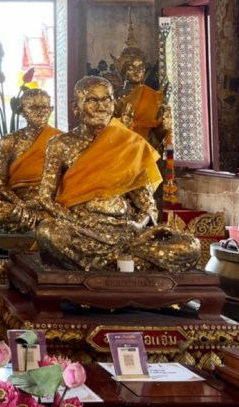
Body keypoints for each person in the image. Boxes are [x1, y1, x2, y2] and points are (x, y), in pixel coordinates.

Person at [35, 77, 200, 272]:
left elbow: (147, 206)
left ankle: (108, 262)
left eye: (107, 100)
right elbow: (45, 198)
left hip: (124, 231)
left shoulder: (130, 144)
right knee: (49, 232)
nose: (101, 107)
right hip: (83, 229)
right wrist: (77, 220)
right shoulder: (60, 144)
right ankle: (129, 262)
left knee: (190, 247)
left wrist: (138, 225)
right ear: (75, 107)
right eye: (92, 100)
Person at [0, 89, 60, 232]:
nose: (40, 112)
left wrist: (43, 203)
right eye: (34, 108)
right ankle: (43, 222)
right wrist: (20, 203)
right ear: (22, 111)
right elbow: (0, 183)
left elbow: (67, 182)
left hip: (50, 205)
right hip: (19, 204)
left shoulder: (60, 140)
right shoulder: (10, 141)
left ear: (51, 110)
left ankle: (41, 221)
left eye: (44, 107)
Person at [112, 20, 170, 153]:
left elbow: (157, 135)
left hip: (147, 148)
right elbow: (105, 129)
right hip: (121, 149)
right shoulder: (114, 95)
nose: (137, 71)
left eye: (140, 67)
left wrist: (165, 126)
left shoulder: (154, 96)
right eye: (131, 67)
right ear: (122, 71)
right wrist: (123, 123)